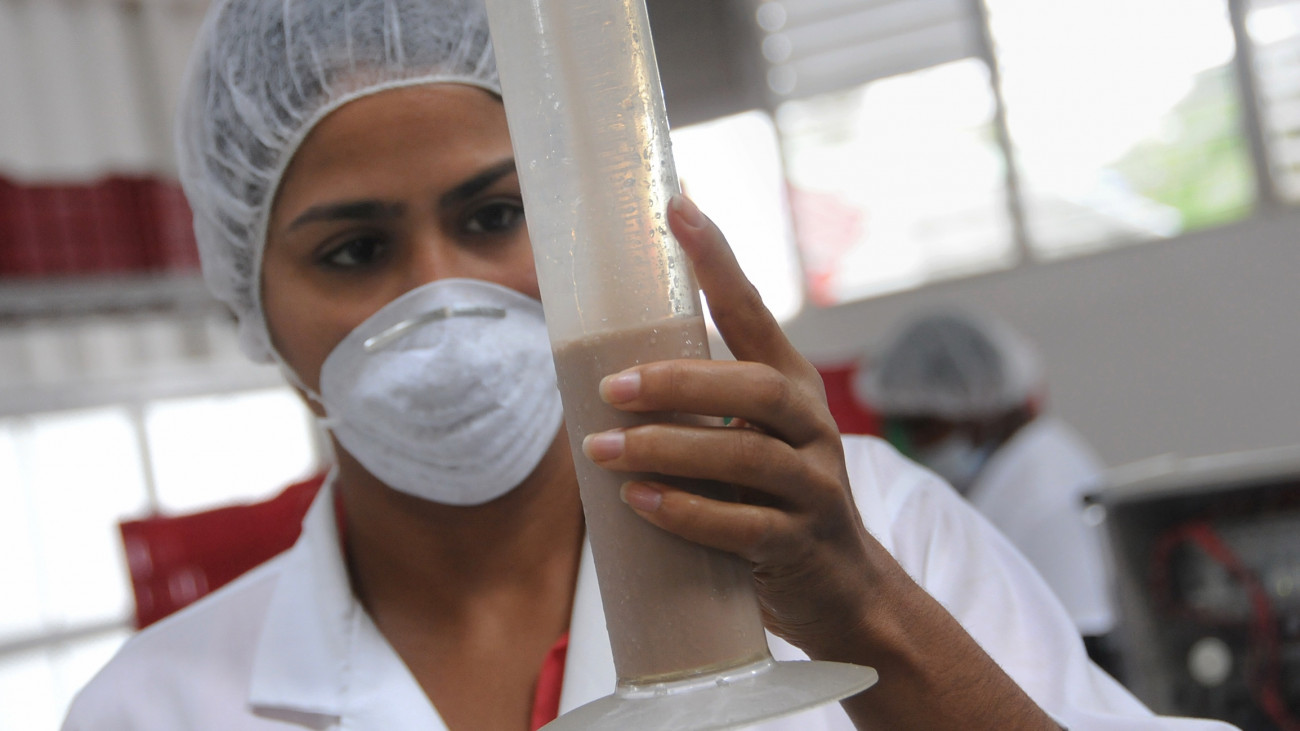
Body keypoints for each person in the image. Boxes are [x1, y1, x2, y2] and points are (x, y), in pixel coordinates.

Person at [62, 1, 1235, 729]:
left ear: (593, 225)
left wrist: (867, 619)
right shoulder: (154, 707)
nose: (437, 291)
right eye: (354, 249)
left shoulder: (867, 530)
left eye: (496, 214)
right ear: (253, 304)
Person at [857, 312, 1118, 660]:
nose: (913, 444)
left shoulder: (1045, 490)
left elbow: (1086, 647)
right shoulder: (1009, 472)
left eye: (924, 425)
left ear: (978, 406)